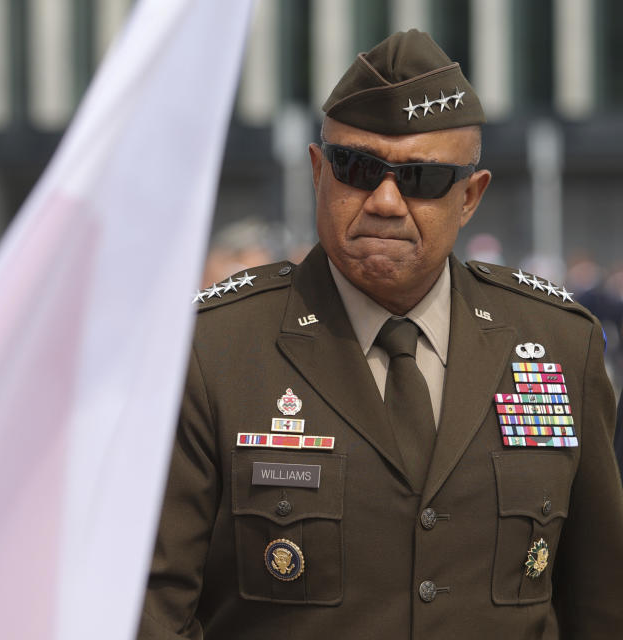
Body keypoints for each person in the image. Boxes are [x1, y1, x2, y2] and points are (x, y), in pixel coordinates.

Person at [139, 30, 623, 639]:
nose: (387, 201)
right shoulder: (213, 351)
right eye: (359, 169)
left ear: (470, 196)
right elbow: (153, 611)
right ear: (319, 172)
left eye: (421, 178)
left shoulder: (557, 343)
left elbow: (601, 605)